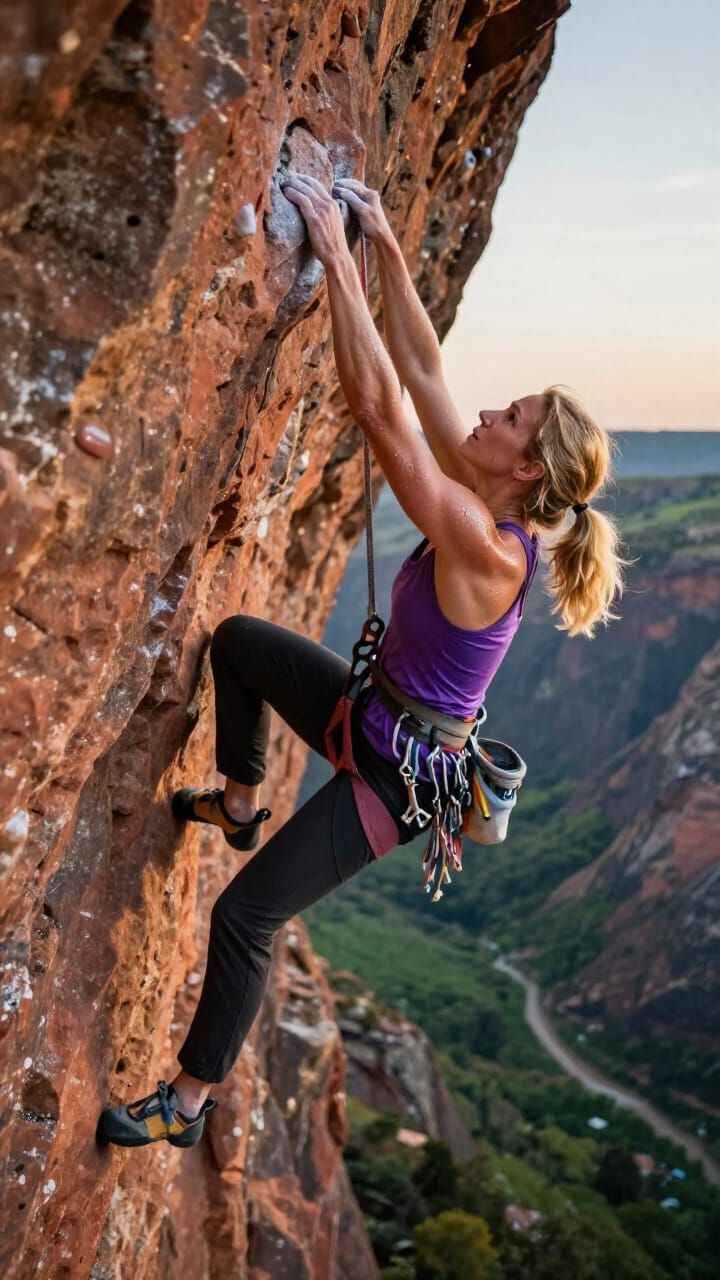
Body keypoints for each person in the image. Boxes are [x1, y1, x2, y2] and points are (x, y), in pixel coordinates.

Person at [97, 174, 628, 1148]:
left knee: (245, 915)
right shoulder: (486, 491)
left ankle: (186, 1097)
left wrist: (335, 259)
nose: (485, 413)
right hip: (373, 710)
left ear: (523, 469)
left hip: (395, 775)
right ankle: (241, 801)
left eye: (506, 417)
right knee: (242, 646)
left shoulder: (485, 542)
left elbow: (388, 418)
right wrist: (382, 237)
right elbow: (423, 374)